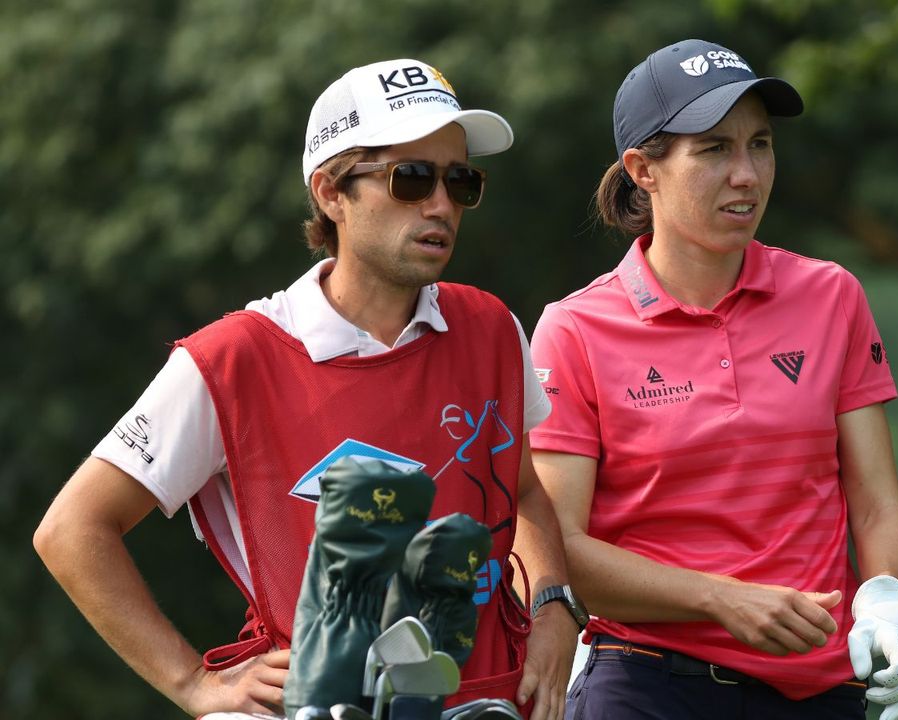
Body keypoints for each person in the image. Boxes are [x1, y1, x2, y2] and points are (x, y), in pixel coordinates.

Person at [33, 58, 578, 720]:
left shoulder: (491, 326)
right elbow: (71, 530)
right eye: (411, 178)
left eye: (460, 181)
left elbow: (524, 493)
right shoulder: (233, 357)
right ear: (330, 193)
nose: (441, 204)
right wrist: (192, 683)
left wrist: (554, 604)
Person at [529, 39, 898, 719]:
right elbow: (557, 548)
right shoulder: (575, 329)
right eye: (714, 150)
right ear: (642, 170)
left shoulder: (832, 297)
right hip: (648, 687)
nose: (747, 174)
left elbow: (877, 502)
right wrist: (719, 597)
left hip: (819, 690)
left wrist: (888, 600)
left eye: (761, 145)